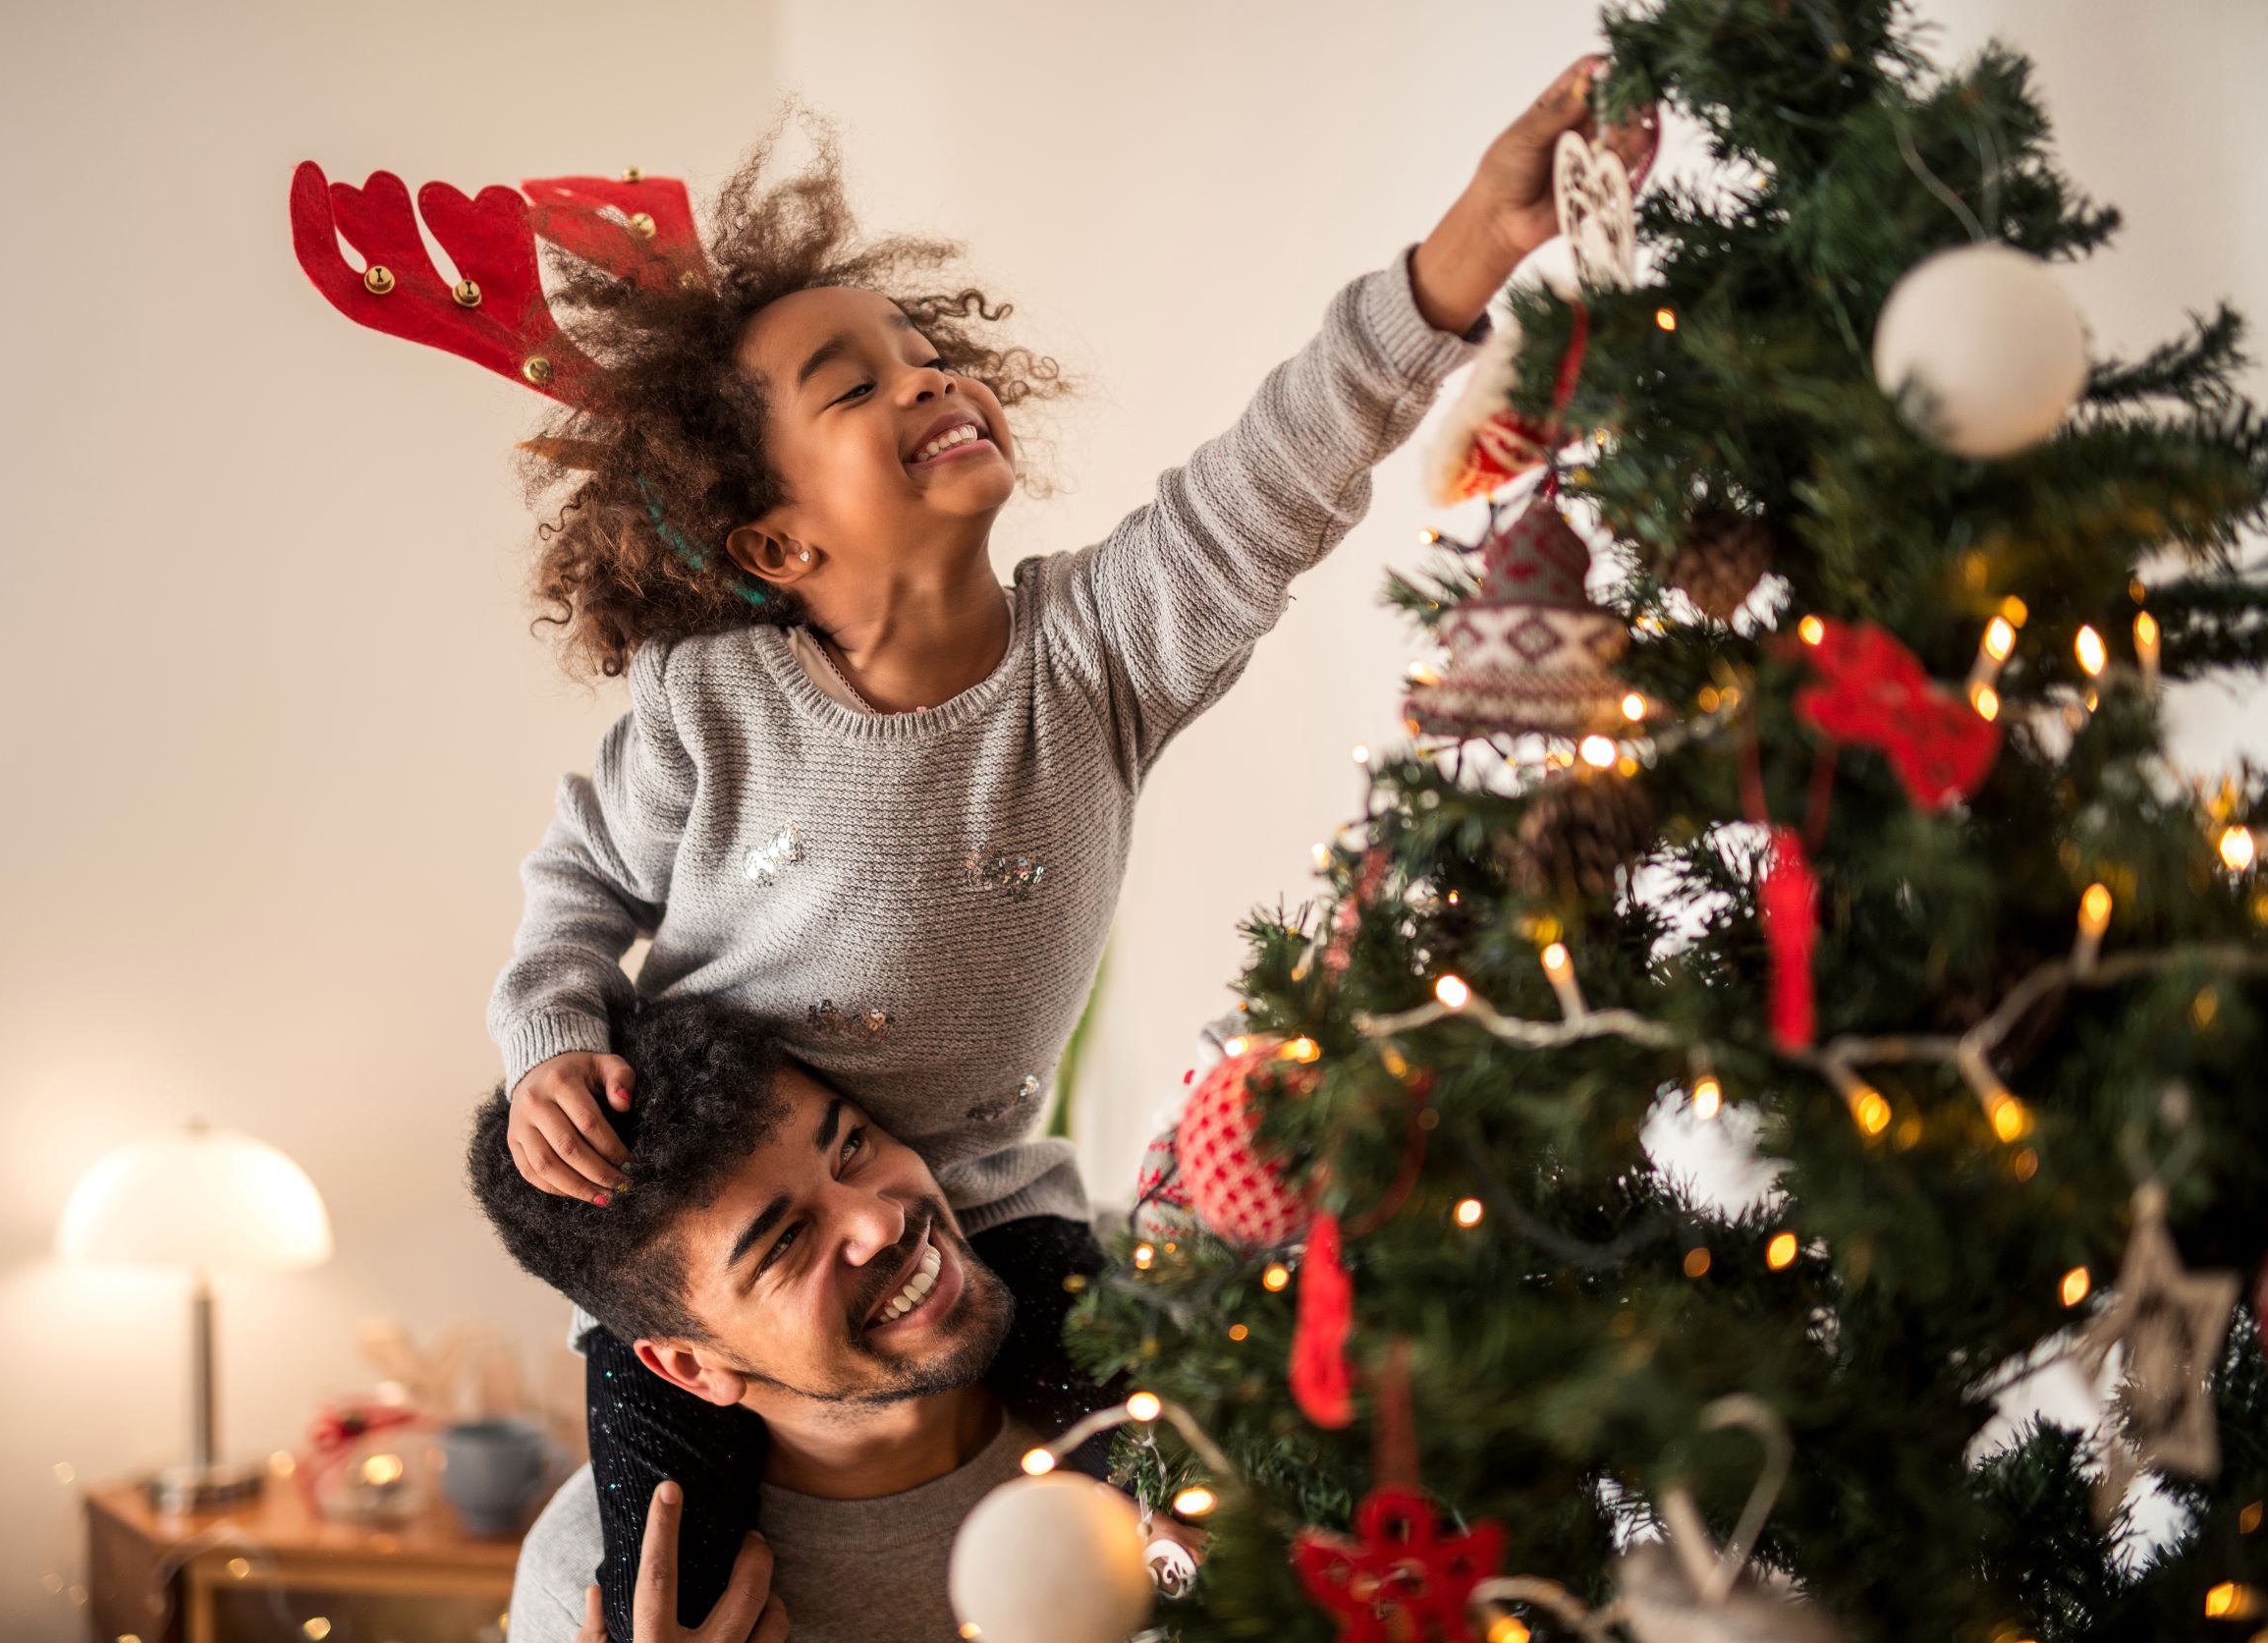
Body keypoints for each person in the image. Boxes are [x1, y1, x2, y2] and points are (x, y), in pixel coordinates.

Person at [473, 59, 1643, 1639]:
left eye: (923, 353)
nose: (924, 380)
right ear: (775, 542)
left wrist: (1457, 265)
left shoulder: (1096, 656)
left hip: (993, 1200)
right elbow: (579, 877)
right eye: (852, 385)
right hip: (706, 1198)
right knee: (655, 1584)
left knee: (1169, 1473)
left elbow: (1273, 477)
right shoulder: (714, 700)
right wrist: (548, 1029)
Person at [471, 992, 1095, 1643]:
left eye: (853, 1146)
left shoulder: (1168, 1350)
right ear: (690, 1364)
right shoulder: (582, 1590)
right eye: (786, 1242)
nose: (880, 1221)